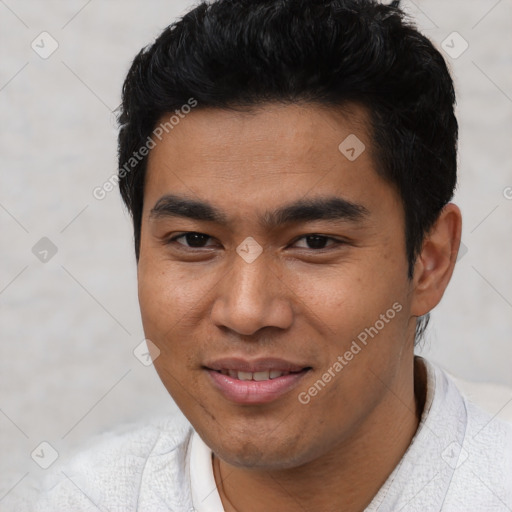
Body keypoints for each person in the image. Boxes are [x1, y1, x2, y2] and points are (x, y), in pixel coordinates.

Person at [30, 0, 512, 510]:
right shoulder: (88, 497)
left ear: (429, 261)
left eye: (314, 242)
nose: (246, 311)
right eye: (195, 241)